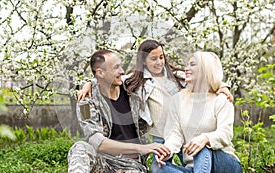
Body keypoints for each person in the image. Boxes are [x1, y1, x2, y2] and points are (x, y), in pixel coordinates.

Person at [77, 40, 234, 172]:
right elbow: (113, 78)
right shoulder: (136, 81)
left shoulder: (176, 77)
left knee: (194, 158)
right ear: (144, 60)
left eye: (161, 57)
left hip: (182, 133)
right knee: (158, 167)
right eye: (153, 59)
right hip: (160, 137)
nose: (159, 62)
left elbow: (205, 77)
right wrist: (90, 82)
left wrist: (224, 86)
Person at [68, 50, 168, 173]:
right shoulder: (85, 102)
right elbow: (96, 141)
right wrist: (141, 148)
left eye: (120, 66)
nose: (122, 71)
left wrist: (90, 81)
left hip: (131, 165)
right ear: (100, 72)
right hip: (103, 160)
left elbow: (157, 74)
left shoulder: (133, 87)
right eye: (116, 67)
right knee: (80, 147)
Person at [154, 51, 242, 173]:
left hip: (224, 164)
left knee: (202, 147)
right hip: (194, 167)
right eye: (187, 65)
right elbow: (175, 133)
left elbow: (226, 134)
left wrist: (205, 138)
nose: (186, 68)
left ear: (206, 69)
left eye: (193, 64)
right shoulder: (178, 99)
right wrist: (167, 150)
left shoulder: (221, 99)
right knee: (159, 167)